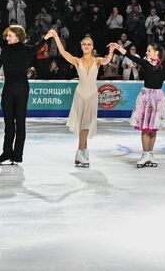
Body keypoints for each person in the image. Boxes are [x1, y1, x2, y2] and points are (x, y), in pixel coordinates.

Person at [46, 29, 118, 167]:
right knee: (82, 125)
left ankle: (83, 150)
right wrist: (56, 37)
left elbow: (107, 60)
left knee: (86, 125)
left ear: (92, 47)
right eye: (84, 44)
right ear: (81, 46)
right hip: (80, 95)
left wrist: (111, 51)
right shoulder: (77, 61)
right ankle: (80, 152)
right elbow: (64, 53)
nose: (86, 46)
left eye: (89, 44)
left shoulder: (97, 61)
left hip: (91, 95)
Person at [115, 40, 165, 168]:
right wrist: (118, 47)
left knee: (153, 128)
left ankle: (150, 154)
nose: (146, 52)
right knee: (145, 127)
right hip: (145, 98)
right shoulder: (145, 63)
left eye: (149, 50)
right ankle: (145, 154)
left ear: (156, 52)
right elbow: (130, 56)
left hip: (158, 98)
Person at [0, 23, 36, 166]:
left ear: (18, 37)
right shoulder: (5, 47)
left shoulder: (27, 50)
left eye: (10, 35)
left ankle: (18, 155)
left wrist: (47, 37)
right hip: (8, 88)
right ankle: (6, 153)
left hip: (22, 89)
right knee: (8, 124)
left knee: (20, 123)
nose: (7, 37)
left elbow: (40, 45)